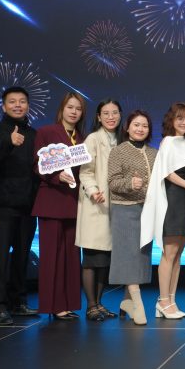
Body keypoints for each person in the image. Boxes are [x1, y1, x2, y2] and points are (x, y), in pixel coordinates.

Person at [141, 103, 185, 320]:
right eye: (179, 118)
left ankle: (171, 301)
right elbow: (167, 173)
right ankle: (163, 301)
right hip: (173, 200)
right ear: (171, 120)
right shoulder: (168, 142)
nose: (184, 122)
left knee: (178, 255)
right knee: (169, 254)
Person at [0, 86, 40, 325]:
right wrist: (8, 142)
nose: (18, 105)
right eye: (12, 101)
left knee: (22, 256)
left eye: (22, 101)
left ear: (28, 105)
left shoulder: (35, 134)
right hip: (3, 204)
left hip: (28, 204)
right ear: (3, 105)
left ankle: (18, 301)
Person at [32, 92, 86, 320]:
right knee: (51, 257)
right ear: (62, 109)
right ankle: (51, 304)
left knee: (71, 257)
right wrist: (56, 176)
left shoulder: (82, 139)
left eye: (78, 109)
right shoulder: (46, 132)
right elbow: (37, 165)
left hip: (74, 203)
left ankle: (68, 303)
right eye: (70, 107)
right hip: (52, 201)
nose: (74, 112)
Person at [108, 110, 157, 326]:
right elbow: (112, 182)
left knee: (140, 257)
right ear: (127, 128)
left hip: (147, 211)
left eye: (144, 125)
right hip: (124, 209)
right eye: (136, 125)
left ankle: (126, 302)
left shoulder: (155, 153)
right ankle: (137, 304)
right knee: (128, 256)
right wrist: (130, 184)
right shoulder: (118, 151)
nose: (140, 129)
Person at [76, 99, 122, 322]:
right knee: (92, 258)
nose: (111, 117)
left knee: (105, 260)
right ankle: (91, 306)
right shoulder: (93, 139)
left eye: (115, 113)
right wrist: (94, 191)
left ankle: (99, 303)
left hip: (116, 208)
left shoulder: (121, 140)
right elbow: (85, 172)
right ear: (98, 117)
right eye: (106, 113)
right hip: (96, 205)